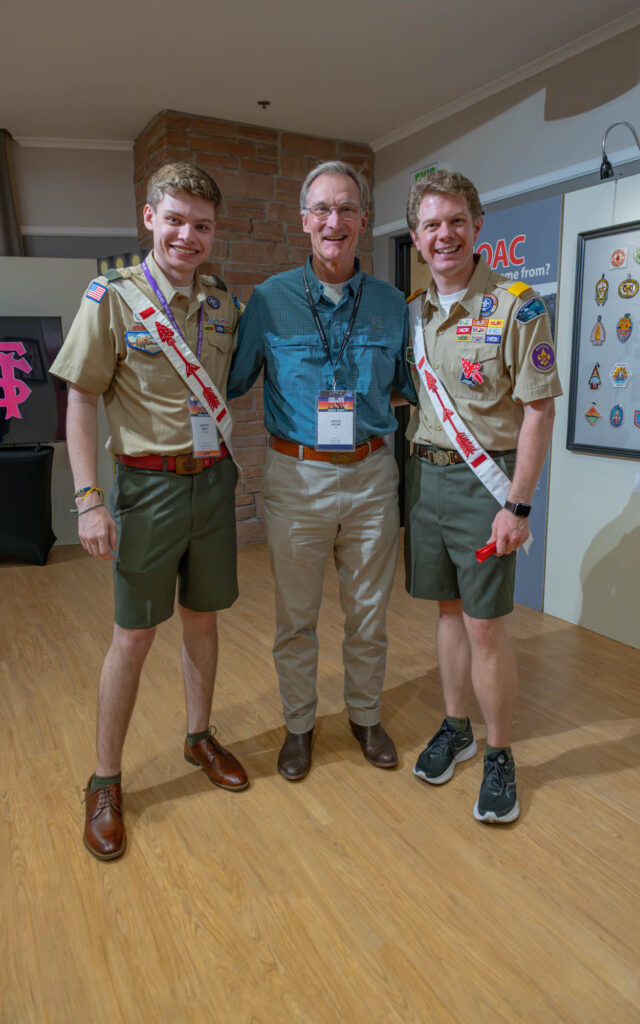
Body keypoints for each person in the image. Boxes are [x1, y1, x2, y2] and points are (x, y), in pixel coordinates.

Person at [50, 161, 248, 861]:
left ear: (213, 230)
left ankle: (198, 737)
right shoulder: (112, 297)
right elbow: (78, 398)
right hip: (147, 487)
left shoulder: (224, 304)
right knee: (133, 636)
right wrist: (88, 501)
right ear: (148, 218)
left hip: (212, 484)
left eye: (201, 225)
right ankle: (105, 781)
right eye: (175, 220)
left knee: (203, 621)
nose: (187, 236)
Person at [227, 160, 415, 781]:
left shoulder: (392, 305)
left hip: (371, 479)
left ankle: (364, 716)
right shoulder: (271, 300)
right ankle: (299, 727)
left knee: (369, 615)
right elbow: (230, 381)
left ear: (363, 220)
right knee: (296, 618)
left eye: (347, 210)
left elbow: (411, 388)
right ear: (304, 220)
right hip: (295, 480)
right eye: (322, 210)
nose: (334, 222)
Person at [404, 170, 562, 823]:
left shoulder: (518, 305)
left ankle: (500, 755)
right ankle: (456, 726)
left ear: (477, 227)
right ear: (416, 237)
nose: (444, 235)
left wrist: (518, 503)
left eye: (456, 221)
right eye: (432, 224)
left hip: (485, 484)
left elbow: (539, 411)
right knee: (446, 615)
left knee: (486, 629)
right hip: (424, 480)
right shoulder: (413, 311)